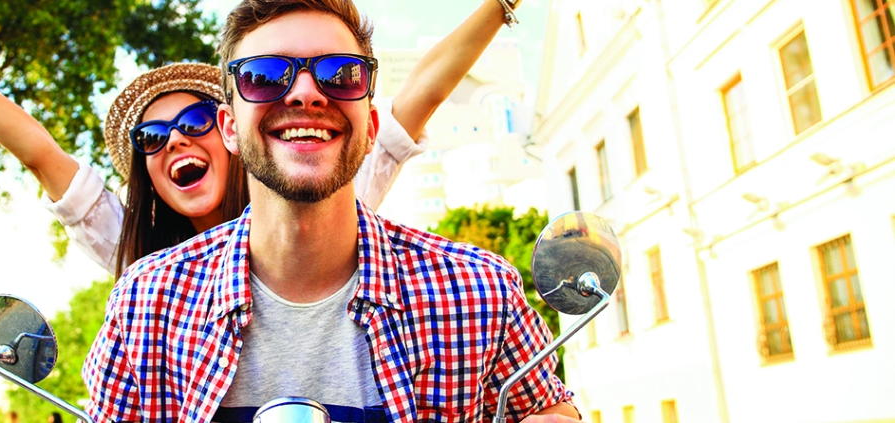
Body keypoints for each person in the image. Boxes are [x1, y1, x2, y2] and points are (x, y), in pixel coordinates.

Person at [80, 0, 584, 422]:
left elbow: (550, 410)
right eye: (263, 76)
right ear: (230, 127)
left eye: (340, 74)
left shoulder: (480, 293)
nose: (304, 92)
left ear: (370, 125)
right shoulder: (145, 306)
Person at [0, 0, 511, 276]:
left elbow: (418, 96)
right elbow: (35, 147)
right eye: (151, 138)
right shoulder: (144, 276)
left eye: (194, 122)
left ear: (234, 133)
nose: (174, 141)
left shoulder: (324, 185)